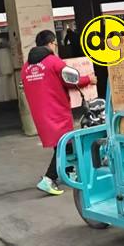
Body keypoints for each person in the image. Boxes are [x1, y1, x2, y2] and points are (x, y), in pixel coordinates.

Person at [22, 29, 96, 195]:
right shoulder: (53, 62)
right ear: (50, 43)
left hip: (40, 113)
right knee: (64, 144)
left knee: (62, 144)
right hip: (57, 111)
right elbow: (71, 79)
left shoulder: (26, 67)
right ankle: (49, 179)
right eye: (55, 44)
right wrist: (89, 79)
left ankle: (69, 173)